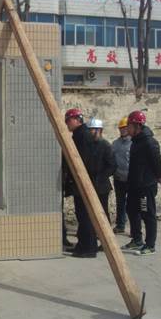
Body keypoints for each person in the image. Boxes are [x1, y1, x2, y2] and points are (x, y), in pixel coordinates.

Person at [121, 110, 161, 256]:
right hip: (134, 185)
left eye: (129, 125)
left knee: (147, 214)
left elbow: (158, 162)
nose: (127, 128)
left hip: (145, 186)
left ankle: (150, 245)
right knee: (131, 210)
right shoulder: (136, 141)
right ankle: (137, 240)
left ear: (137, 126)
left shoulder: (149, 142)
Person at [63, 108, 98, 258]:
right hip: (81, 182)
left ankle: (88, 248)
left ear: (77, 120)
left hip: (84, 183)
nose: (66, 123)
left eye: (68, 120)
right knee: (82, 216)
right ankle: (83, 245)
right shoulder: (80, 134)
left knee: (85, 217)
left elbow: (82, 161)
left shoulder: (82, 136)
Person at [87, 118, 117, 225]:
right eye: (89, 130)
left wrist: (100, 177)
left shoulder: (105, 145)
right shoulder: (88, 145)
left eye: (92, 129)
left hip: (102, 186)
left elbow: (112, 166)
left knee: (102, 210)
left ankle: (106, 230)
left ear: (99, 130)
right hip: (90, 183)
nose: (90, 132)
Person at [111, 117, 131, 234]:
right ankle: (120, 225)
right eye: (121, 128)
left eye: (125, 128)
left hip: (131, 179)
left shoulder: (133, 143)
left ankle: (135, 229)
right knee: (120, 202)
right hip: (119, 178)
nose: (123, 130)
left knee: (133, 204)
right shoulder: (115, 144)